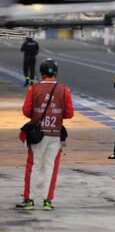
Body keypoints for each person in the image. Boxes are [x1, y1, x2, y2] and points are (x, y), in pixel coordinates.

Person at [16, 58, 74, 210]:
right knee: (50, 167)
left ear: (41, 72)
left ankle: (29, 200)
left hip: (37, 135)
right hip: (56, 135)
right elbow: (69, 113)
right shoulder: (64, 89)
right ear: (55, 72)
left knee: (33, 166)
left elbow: (26, 111)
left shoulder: (33, 88)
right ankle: (47, 201)